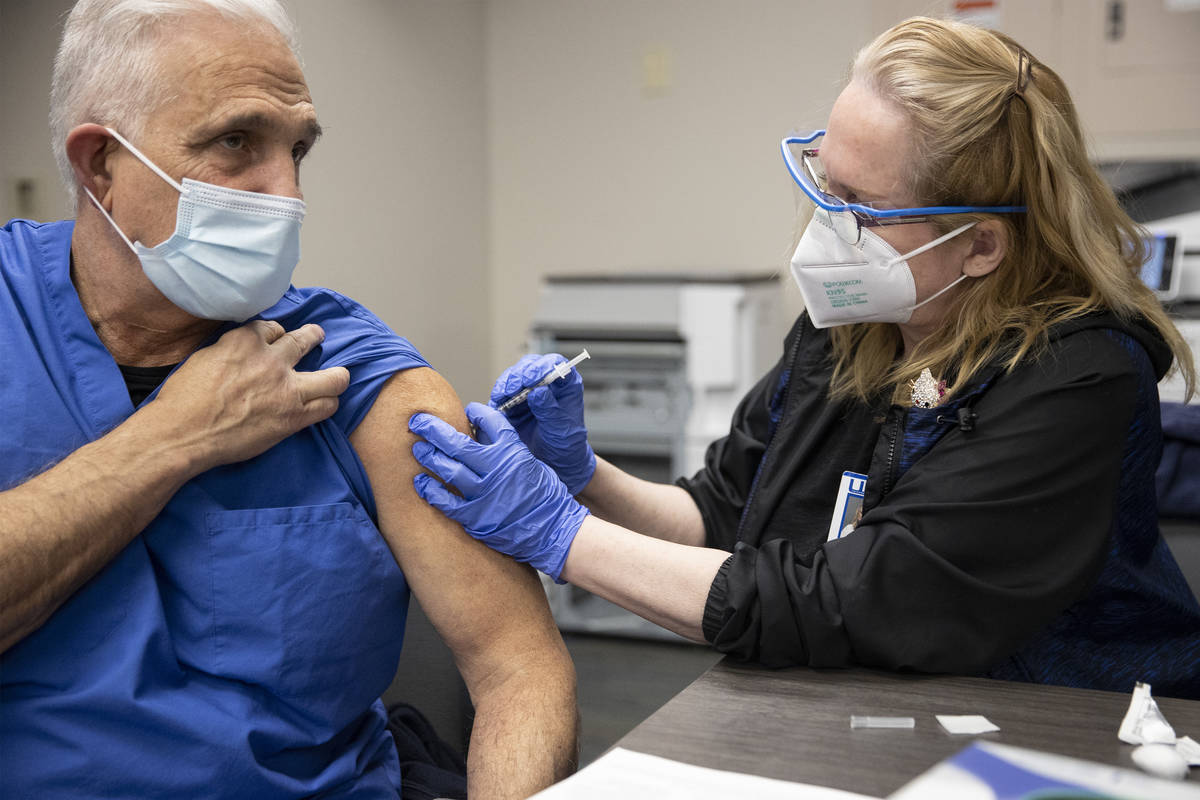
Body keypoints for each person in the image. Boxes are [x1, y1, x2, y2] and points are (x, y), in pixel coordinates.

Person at [409, 17, 1200, 699]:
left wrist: (560, 534)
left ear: (982, 245)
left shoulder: (1079, 376)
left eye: (861, 206)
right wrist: (582, 475)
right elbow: (725, 513)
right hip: (859, 700)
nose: (828, 227)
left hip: (1071, 720)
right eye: (826, 181)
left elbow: (857, 598)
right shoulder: (853, 326)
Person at [0, 1, 577, 797]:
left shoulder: (358, 373)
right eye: (238, 142)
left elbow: (519, 668)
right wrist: (173, 437)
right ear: (101, 162)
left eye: (298, 149)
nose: (287, 191)